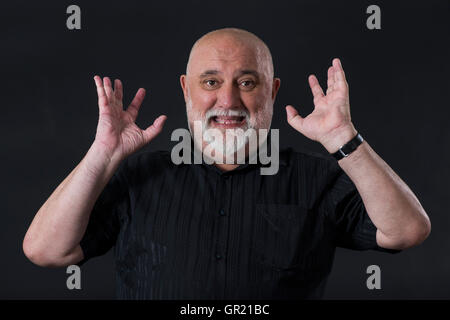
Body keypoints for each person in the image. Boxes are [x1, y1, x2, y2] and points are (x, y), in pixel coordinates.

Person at [23, 28, 431, 299]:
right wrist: (102, 155)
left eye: (247, 83)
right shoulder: (137, 177)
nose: (229, 101)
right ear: (186, 89)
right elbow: (46, 251)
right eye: (212, 81)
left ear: (272, 92)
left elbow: (406, 231)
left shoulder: (317, 179)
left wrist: (346, 141)